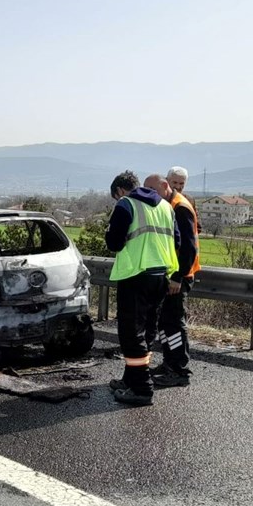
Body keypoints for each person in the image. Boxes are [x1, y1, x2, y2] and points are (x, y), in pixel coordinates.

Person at [105, 170, 179, 406]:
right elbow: (176, 241)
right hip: (161, 275)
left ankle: (141, 388)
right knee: (147, 330)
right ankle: (131, 378)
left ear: (119, 191)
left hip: (135, 274)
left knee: (131, 333)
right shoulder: (166, 207)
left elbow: (114, 243)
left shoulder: (126, 205)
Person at [145, 169, 200, 387]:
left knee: (174, 323)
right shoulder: (170, 205)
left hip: (180, 276)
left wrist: (178, 277)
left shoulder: (180, 207)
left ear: (164, 187)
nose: (150, 194)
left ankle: (179, 370)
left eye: (152, 190)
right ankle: (169, 363)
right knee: (166, 322)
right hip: (172, 274)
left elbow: (188, 247)